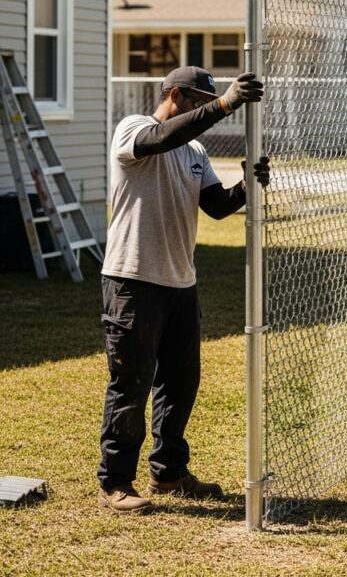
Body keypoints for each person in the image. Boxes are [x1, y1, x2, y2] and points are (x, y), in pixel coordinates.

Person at [97, 66, 270, 513]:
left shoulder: (194, 150)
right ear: (174, 95)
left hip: (181, 283)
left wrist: (248, 184)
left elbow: (215, 207)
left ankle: (169, 472)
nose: (202, 110)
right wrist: (226, 104)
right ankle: (115, 482)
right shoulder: (133, 130)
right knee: (131, 383)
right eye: (197, 101)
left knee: (180, 383)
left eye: (206, 102)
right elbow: (160, 139)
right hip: (133, 280)